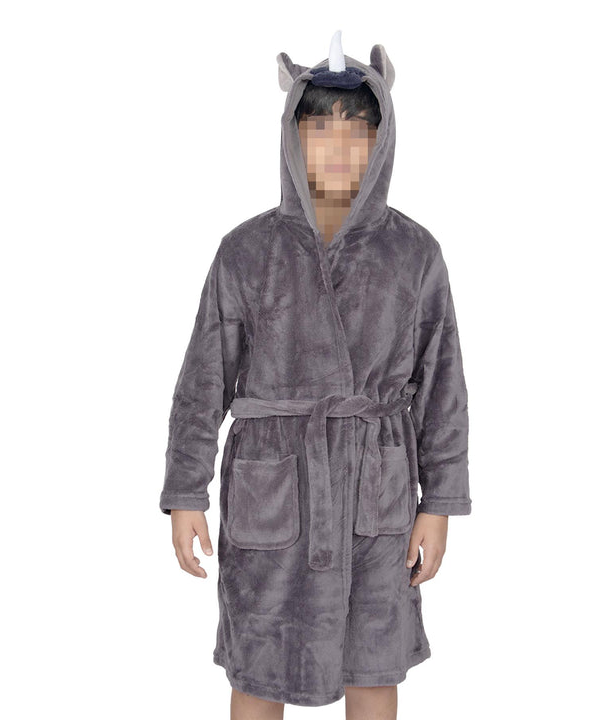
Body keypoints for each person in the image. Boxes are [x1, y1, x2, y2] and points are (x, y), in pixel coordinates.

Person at [159, 31, 471, 719]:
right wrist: (186, 492)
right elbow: (202, 381)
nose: (338, 149)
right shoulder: (246, 251)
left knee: (374, 662)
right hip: (273, 488)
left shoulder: (415, 253)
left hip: (377, 489)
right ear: (292, 138)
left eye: (357, 132)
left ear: (381, 142)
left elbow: (443, 389)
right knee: (258, 664)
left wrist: (440, 504)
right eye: (320, 130)